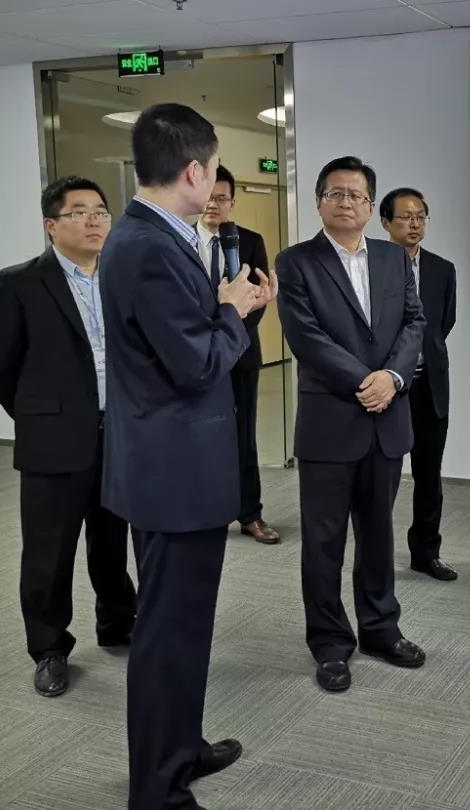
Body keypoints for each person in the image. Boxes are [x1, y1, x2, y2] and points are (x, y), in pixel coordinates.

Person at [98, 103, 274, 809]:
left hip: (173, 467)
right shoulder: (148, 246)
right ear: (195, 171)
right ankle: (158, 788)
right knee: (168, 634)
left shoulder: (153, 235)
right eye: (217, 166)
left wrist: (226, 305)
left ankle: (181, 748)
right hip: (173, 477)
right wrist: (235, 310)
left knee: (185, 626)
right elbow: (198, 363)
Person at [0, 176, 137, 699]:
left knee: (112, 540)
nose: (94, 220)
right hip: (54, 439)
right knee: (49, 551)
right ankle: (48, 648)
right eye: (79, 212)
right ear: (51, 225)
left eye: (101, 211)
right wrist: (40, 415)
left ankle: (118, 622)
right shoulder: (18, 283)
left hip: (119, 434)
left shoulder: (122, 278)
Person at [276, 156, 426, 693]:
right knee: (324, 541)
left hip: (387, 420)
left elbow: (414, 322)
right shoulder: (296, 262)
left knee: (379, 534)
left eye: (357, 195)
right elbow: (306, 337)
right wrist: (368, 381)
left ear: (370, 206)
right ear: (319, 201)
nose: (346, 202)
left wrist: (393, 377)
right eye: (335, 193)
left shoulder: (392, 257)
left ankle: (381, 629)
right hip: (330, 422)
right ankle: (330, 642)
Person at [197, 163, 280, 544]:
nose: (213, 204)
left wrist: (230, 331)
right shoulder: (179, 240)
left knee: (244, 436)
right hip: (196, 356)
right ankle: (207, 512)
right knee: (201, 436)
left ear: (233, 202)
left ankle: (250, 514)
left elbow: (258, 299)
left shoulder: (249, 241)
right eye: (208, 196)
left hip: (241, 354)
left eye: (222, 198)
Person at [379, 187, 458, 581]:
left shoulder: (443, 269)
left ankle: (426, 553)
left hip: (430, 387)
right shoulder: (373, 266)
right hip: (388, 389)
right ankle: (377, 556)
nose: (414, 224)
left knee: (429, 474)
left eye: (420, 216)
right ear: (385, 222)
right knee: (384, 477)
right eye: (405, 217)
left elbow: (444, 323)